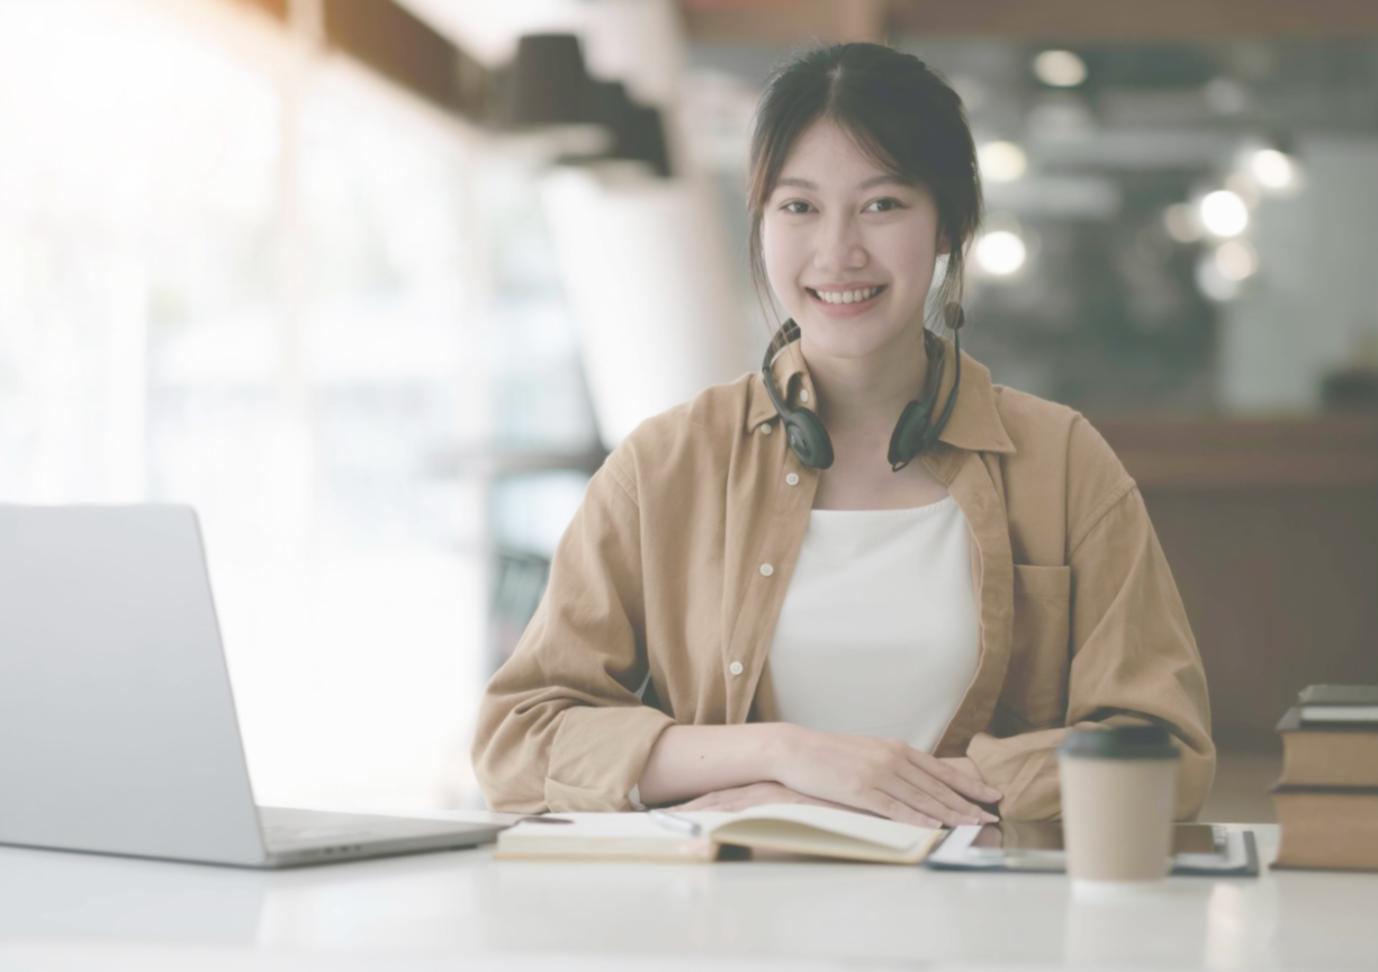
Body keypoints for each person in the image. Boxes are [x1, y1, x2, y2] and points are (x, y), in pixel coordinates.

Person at [471, 42, 1215, 827]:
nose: (838, 252)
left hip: (989, 938)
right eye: (799, 207)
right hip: (735, 934)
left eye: (882, 204)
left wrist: (898, 794)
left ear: (947, 225)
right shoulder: (667, 464)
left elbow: (1164, 750)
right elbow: (518, 745)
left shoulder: (1063, 463)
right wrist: (780, 756)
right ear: (759, 221)